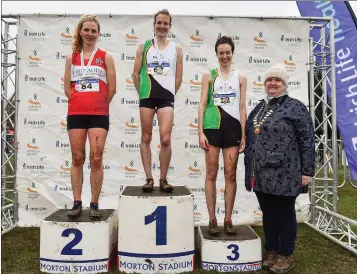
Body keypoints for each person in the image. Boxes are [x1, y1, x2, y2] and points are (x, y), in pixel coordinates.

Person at [244, 65, 315, 273]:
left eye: (277, 80)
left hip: (287, 171)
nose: (272, 83)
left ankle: (286, 254)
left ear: (284, 84)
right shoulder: (259, 108)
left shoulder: (295, 107)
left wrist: (307, 171)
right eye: (269, 80)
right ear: (264, 84)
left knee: (284, 213)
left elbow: (308, 140)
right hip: (261, 172)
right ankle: (272, 250)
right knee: (268, 213)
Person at [64, 14, 117, 218]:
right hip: (76, 113)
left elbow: (112, 88)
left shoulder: (106, 57)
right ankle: (77, 202)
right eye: (86, 30)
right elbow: (68, 88)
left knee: (96, 158)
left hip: (98, 115)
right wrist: (80, 100)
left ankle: (94, 203)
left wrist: (98, 104)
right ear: (80, 31)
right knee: (77, 158)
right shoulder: (72, 58)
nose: (89, 34)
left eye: (93, 31)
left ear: (98, 34)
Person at [198, 36, 247, 236]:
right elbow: (201, 104)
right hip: (212, 127)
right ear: (216, 55)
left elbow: (242, 107)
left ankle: (228, 219)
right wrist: (200, 131)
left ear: (232, 53)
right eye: (221, 53)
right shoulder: (208, 76)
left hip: (233, 128)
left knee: (230, 174)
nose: (224, 56)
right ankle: (212, 219)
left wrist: (244, 135)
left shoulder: (241, 78)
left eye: (228, 52)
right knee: (211, 174)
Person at [133, 9, 183, 193]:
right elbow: (135, 73)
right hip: (147, 96)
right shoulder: (143, 46)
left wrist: (170, 93)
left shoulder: (176, 49)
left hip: (165, 97)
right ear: (154, 25)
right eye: (159, 23)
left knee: (166, 138)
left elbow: (178, 77)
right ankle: (148, 178)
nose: (162, 26)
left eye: (165, 23)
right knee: (146, 137)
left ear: (170, 26)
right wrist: (142, 92)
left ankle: (163, 178)